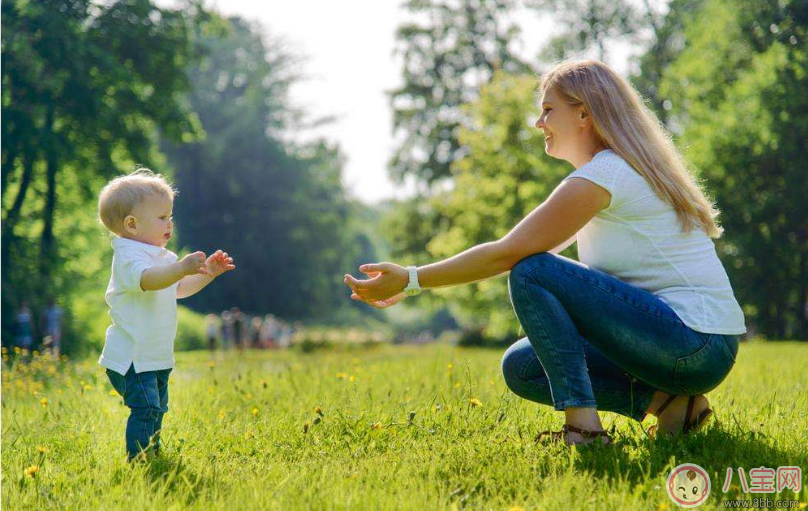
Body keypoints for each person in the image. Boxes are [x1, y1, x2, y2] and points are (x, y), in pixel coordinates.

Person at [345, 60, 745, 447]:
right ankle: (671, 405)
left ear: (584, 113)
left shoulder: (605, 174)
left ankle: (584, 431)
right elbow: (514, 254)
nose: (539, 123)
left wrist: (413, 279)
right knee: (523, 366)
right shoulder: (620, 169)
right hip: (697, 348)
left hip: (693, 343)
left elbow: (509, 255)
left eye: (548, 110)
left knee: (532, 271)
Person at [97, 168, 236, 461]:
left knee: (158, 407)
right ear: (132, 225)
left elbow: (179, 288)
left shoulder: (163, 258)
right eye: (162, 217)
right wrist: (180, 268)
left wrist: (207, 272)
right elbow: (148, 281)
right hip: (132, 358)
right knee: (146, 408)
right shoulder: (128, 257)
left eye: (170, 216)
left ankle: (152, 451)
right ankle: (140, 459)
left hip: (156, 355)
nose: (169, 223)